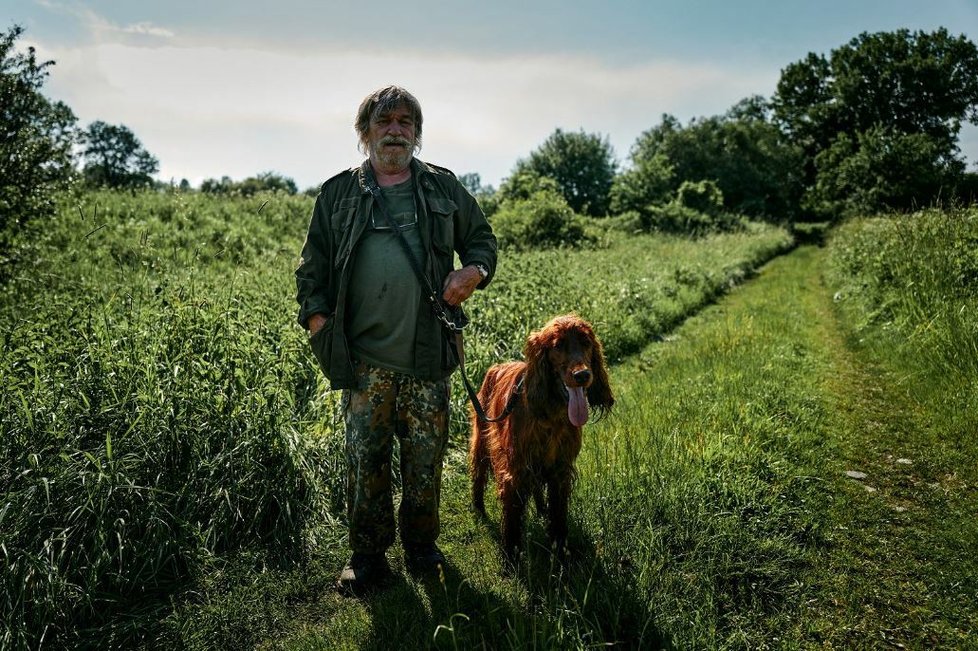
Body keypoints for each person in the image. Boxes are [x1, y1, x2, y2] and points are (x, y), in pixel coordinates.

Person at [295, 86, 497, 595]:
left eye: (406, 122)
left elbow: (483, 241)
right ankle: (366, 557)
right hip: (363, 360)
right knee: (365, 460)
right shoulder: (339, 193)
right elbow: (312, 268)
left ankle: (422, 548)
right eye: (385, 122)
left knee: (425, 460)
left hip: (428, 354)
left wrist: (474, 270)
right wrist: (320, 326)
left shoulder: (443, 189)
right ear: (365, 133)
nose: (396, 131)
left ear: (417, 134)